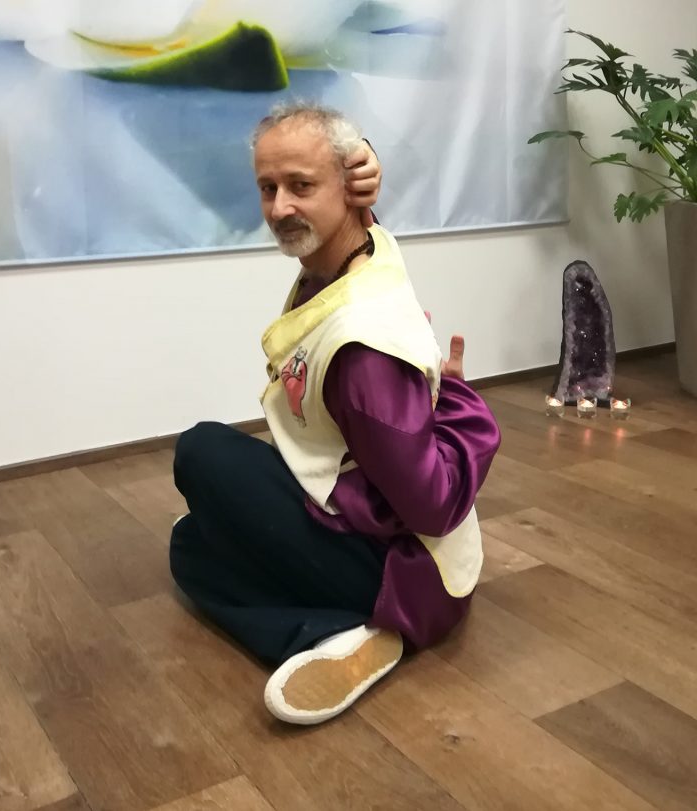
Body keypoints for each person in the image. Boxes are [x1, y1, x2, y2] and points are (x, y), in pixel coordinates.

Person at [170, 103, 500, 725]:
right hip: (364, 518)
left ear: (349, 189)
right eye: (267, 188)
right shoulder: (363, 248)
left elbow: (433, 504)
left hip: (408, 573)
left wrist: (461, 402)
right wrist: (360, 159)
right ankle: (348, 633)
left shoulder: (362, 348)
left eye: (300, 185)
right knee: (188, 545)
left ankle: (340, 628)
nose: (279, 208)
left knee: (202, 451)